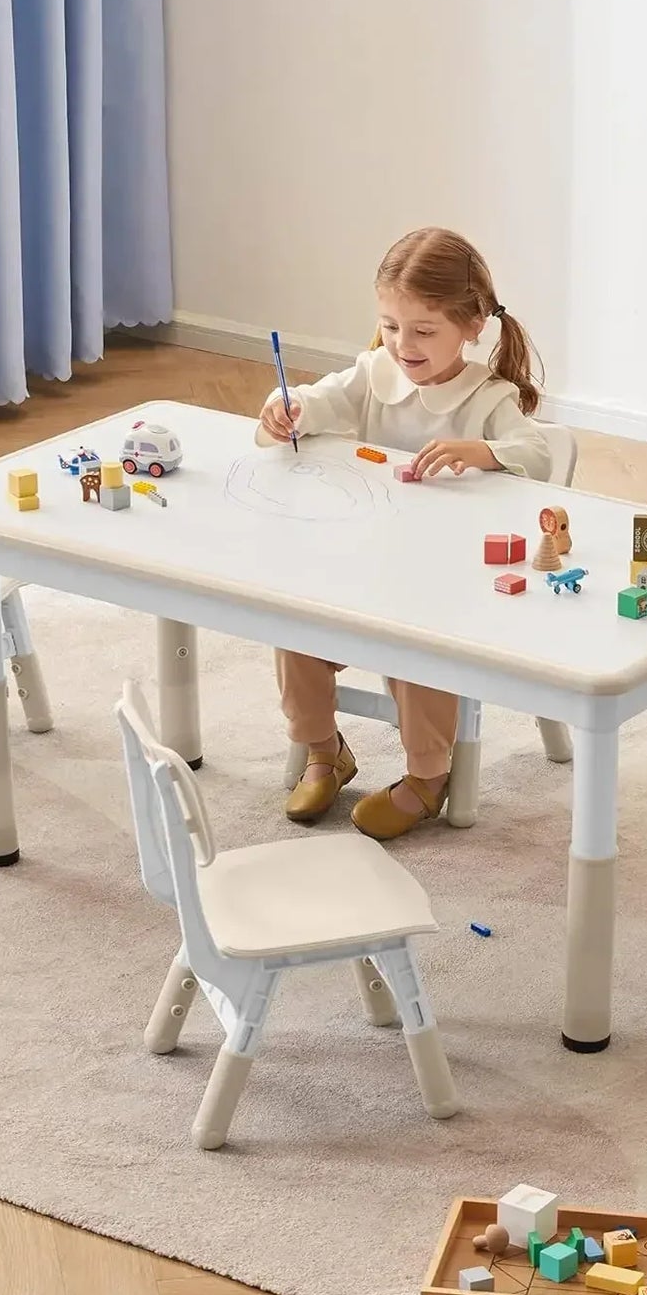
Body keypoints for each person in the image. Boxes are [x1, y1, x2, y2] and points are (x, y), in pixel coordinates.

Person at [257, 225, 553, 840]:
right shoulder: (374, 375)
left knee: (418, 650)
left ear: (472, 325)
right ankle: (323, 751)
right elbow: (313, 403)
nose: (402, 345)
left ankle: (426, 779)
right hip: (363, 568)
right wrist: (289, 409)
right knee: (293, 624)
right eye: (390, 326)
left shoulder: (489, 398)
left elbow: (540, 458)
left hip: (447, 587)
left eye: (423, 331)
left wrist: (481, 452)